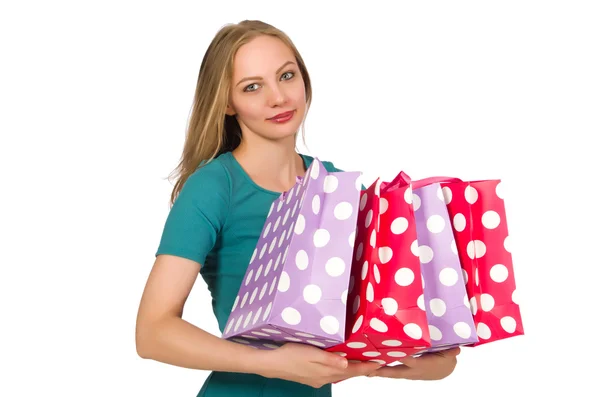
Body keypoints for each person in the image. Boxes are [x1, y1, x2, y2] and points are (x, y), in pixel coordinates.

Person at [135, 19, 460, 397]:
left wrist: (420, 360)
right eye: (252, 87)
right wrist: (269, 363)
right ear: (227, 102)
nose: (278, 97)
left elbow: (387, 322)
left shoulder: (335, 186)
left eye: (286, 76)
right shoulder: (213, 188)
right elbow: (152, 333)